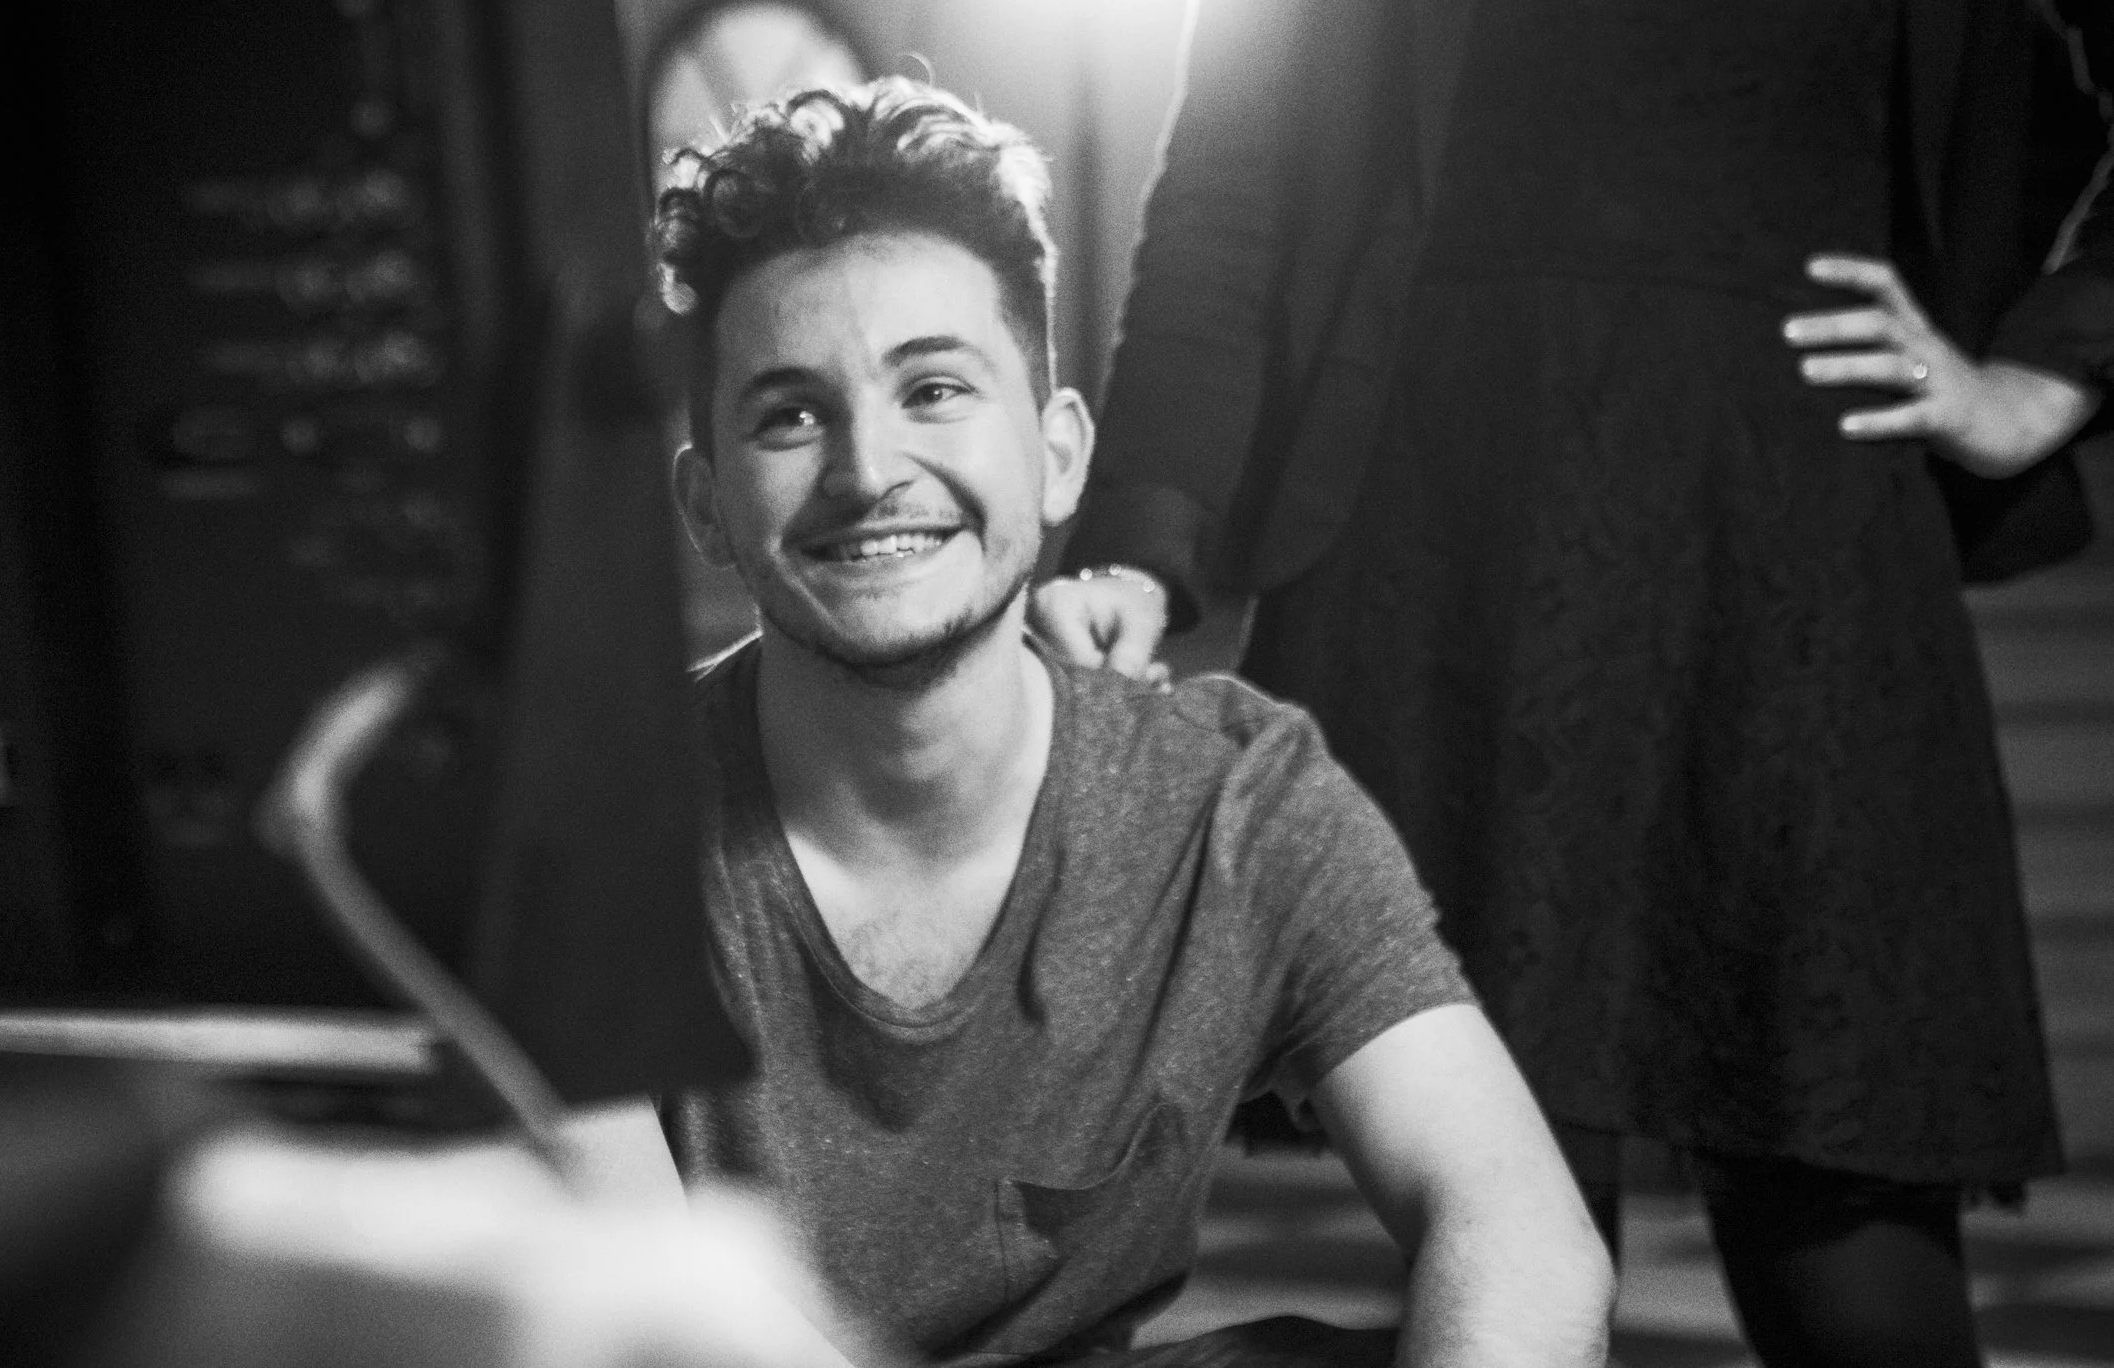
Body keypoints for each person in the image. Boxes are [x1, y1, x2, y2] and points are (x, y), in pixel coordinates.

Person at [1035, 0, 2114, 1365]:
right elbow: (1234, 190)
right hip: (1454, 554)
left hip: (1800, 558)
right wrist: (1138, 544)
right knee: (1522, 1256)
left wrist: (2046, 373)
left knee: (1860, 1271)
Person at [635, 77, 1614, 1367]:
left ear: (1057, 455)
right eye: (792, 414)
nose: (869, 472)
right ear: (706, 503)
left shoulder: (1233, 801)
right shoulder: (602, 828)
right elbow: (643, 1322)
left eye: (934, 390)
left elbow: (1518, 1226)